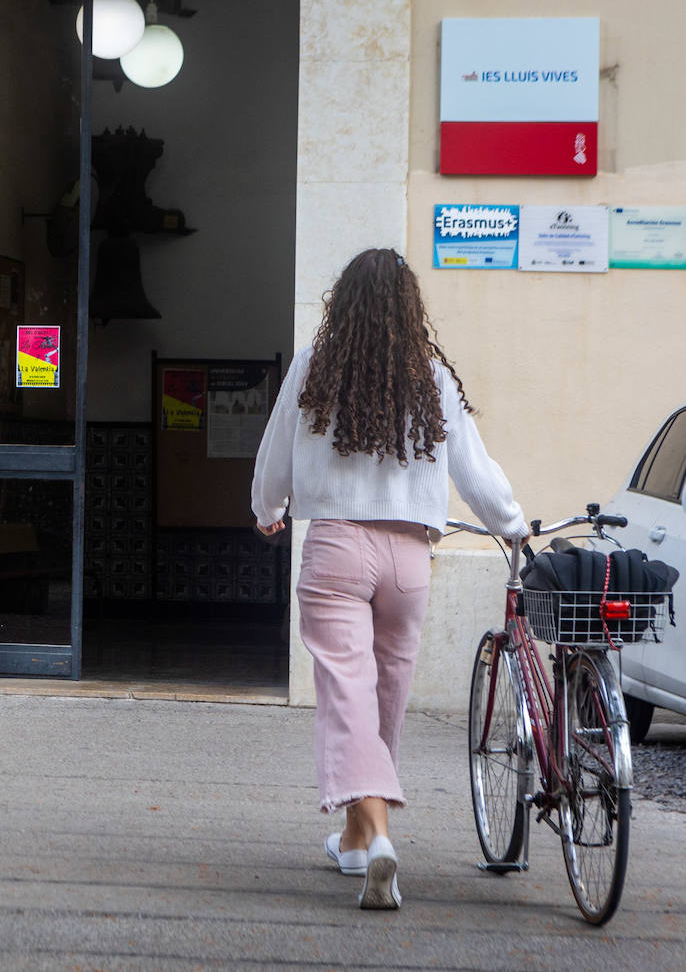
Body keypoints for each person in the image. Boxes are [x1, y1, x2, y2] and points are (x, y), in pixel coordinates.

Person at [250, 247, 527, 911]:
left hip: (338, 547)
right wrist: (514, 524)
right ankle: (353, 839)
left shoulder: (314, 367)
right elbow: (475, 470)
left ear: (341, 305)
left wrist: (268, 509)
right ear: (410, 307)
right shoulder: (431, 375)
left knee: (350, 699)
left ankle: (379, 841)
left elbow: (275, 449)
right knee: (385, 701)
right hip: (409, 555)